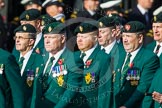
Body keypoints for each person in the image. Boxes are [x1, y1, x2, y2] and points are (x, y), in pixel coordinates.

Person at [30, 22, 83, 108]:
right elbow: (35, 91)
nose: (47, 41)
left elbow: (71, 90)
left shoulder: (73, 59)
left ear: (62, 39)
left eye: (51, 37)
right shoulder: (40, 58)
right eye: (45, 37)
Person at [112, 21, 159, 108]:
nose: (125, 40)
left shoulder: (149, 58)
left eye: (128, 36)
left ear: (140, 38)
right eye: (123, 36)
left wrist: (126, 106)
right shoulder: (118, 54)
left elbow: (142, 87)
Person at [75, 21, 111, 108]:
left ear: (95, 38)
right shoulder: (72, 56)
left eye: (83, 37)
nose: (79, 40)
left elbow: (104, 91)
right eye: (78, 36)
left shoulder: (103, 58)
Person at [14, 24, 44, 108]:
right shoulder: (13, 59)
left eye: (21, 38)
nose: (17, 40)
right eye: (16, 37)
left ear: (31, 42)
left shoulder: (39, 61)